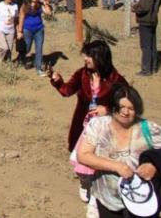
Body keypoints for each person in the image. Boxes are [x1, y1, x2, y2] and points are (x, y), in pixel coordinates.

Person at [49, 39, 129, 203]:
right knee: (82, 158)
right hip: (83, 125)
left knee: (103, 159)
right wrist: (57, 80)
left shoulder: (116, 80)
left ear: (100, 58)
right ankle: (85, 184)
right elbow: (66, 91)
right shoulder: (82, 74)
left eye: (89, 56)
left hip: (106, 128)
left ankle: (104, 187)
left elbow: (128, 105)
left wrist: (108, 110)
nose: (85, 59)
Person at [78, 85, 161, 217]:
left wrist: (153, 165)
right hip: (108, 200)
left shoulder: (150, 129)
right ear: (113, 106)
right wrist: (116, 166)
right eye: (121, 107)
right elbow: (83, 155)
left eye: (131, 108)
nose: (125, 112)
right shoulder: (98, 125)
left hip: (141, 200)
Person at [17, 0, 52, 75]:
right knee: (27, 48)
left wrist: (45, 3)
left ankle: (38, 68)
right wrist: (20, 31)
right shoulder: (25, 5)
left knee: (39, 48)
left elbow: (49, 13)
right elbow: (21, 18)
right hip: (27, 30)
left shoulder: (39, 5)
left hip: (39, 30)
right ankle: (21, 58)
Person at [134, 0, 161, 76]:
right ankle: (153, 67)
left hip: (145, 21)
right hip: (153, 20)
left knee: (145, 46)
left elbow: (144, 7)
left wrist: (135, 8)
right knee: (152, 45)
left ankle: (146, 70)